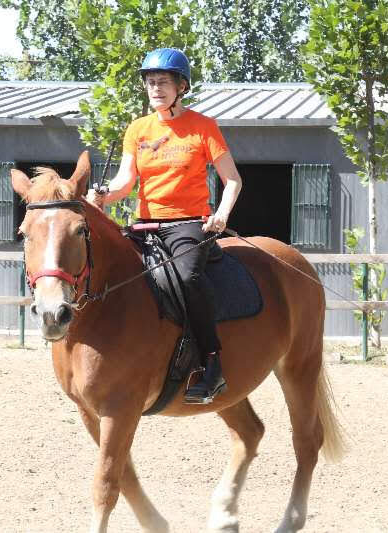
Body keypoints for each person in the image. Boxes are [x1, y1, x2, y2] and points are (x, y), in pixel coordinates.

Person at [87, 48, 243, 404]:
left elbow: (232, 181)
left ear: (181, 86)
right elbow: (125, 182)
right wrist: (103, 195)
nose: (155, 88)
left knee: (188, 278)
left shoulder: (204, 127)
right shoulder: (138, 129)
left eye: (163, 82)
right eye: (150, 82)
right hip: (144, 225)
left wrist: (221, 214)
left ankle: (211, 362)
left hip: (188, 224)